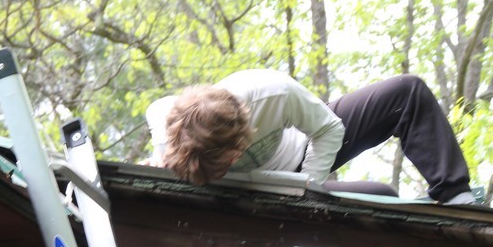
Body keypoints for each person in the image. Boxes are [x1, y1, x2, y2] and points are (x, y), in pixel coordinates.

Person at [145, 68, 474, 204]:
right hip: (266, 189)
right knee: (383, 195)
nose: (233, 162)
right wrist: (161, 166)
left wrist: (307, 188)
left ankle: (456, 195)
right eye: (224, 164)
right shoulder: (167, 127)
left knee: (406, 91)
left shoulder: (272, 93)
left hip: (303, 162)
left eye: (232, 155)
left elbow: (329, 128)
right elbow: (162, 149)